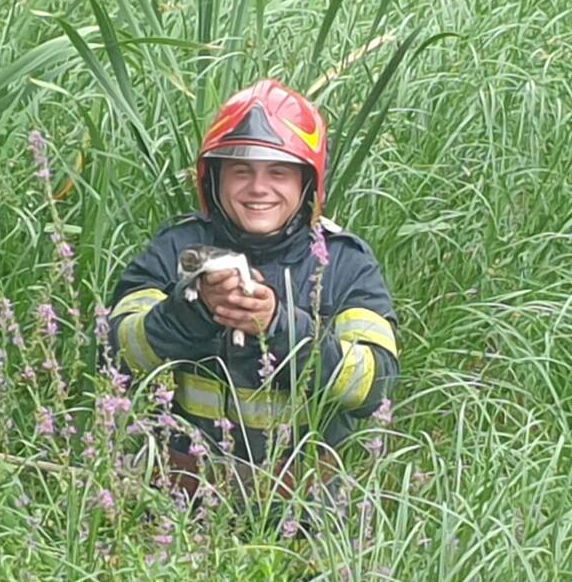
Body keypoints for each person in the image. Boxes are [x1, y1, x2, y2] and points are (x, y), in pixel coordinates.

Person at [107, 79, 399, 497]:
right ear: (214, 180)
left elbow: (376, 386)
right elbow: (112, 355)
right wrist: (191, 311)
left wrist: (282, 327)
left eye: (278, 171)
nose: (258, 188)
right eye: (241, 171)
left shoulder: (345, 263)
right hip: (178, 502)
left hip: (303, 507)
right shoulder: (175, 247)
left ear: (307, 185)